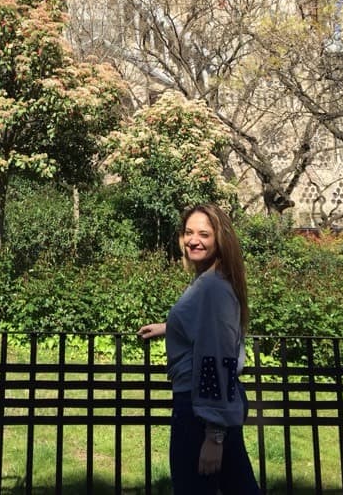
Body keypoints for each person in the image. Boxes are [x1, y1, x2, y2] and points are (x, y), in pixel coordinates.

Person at [138, 203, 261, 494]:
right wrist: (171, 327)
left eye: (204, 234)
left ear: (221, 239)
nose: (193, 240)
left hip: (200, 414)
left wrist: (214, 435)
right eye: (188, 232)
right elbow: (211, 330)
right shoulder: (212, 280)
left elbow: (217, 359)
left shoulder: (212, 288)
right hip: (206, 410)